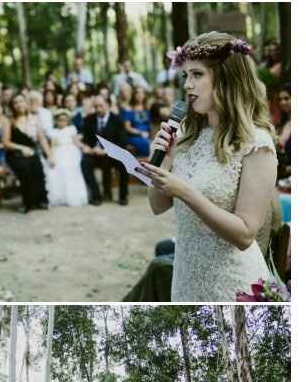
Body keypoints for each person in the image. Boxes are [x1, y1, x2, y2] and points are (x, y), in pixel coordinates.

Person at [138, 31, 278, 302]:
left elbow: (245, 234)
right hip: (187, 279)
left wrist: (186, 192)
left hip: (232, 285)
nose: (188, 85)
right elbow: (157, 206)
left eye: (197, 75)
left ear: (226, 78)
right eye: (185, 76)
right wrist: (164, 159)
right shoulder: (189, 134)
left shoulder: (256, 144)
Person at [2, 93, 52, 213]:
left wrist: (50, 155)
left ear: (26, 102)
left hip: (32, 151)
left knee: (37, 165)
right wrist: (21, 148)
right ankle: (28, 203)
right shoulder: (9, 121)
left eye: (21, 101)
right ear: (12, 106)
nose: (19, 104)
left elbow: (42, 139)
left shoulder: (34, 118)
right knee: (25, 168)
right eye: (15, 102)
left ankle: (40, 201)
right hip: (14, 153)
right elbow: (5, 142)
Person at [80, 94, 129, 206]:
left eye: (101, 106)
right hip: (95, 153)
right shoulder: (89, 119)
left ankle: (123, 196)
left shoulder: (118, 120)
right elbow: (86, 139)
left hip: (113, 154)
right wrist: (89, 148)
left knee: (123, 163)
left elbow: (122, 142)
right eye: (96, 106)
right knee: (85, 163)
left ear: (108, 105)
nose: (98, 109)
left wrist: (106, 151)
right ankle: (96, 196)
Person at [45, 111, 89, 207]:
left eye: (64, 120)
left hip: (71, 151)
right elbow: (52, 146)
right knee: (58, 169)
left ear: (68, 121)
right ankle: (61, 196)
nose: (62, 122)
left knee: (72, 170)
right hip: (59, 151)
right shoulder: (54, 132)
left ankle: (74, 195)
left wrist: (83, 147)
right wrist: (51, 157)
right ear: (56, 121)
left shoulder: (71, 129)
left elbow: (76, 142)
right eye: (60, 120)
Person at [120, 86, 152, 156]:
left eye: (142, 93)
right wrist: (140, 133)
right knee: (145, 143)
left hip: (147, 135)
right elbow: (127, 127)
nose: (140, 95)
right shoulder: (129, 109)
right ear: (134, 95)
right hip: (134, 136)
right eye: (138, 93)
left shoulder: (146, 108)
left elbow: (150, 125)